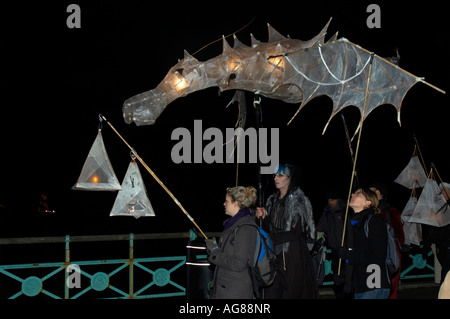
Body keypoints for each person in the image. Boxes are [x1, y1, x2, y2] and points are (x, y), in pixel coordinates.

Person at [255, 164, 319, 298]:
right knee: (272, 292)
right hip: (274, 254)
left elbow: (296, 232)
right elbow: (270, 226)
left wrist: (269, 237)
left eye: (281, 175)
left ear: (290, 178)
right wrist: (263, 216)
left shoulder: (298, 201)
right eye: (275, 175)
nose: (275, 178)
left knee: (293, 292)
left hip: (292, 254)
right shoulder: (272, 200)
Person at [206, 186, 258, 299]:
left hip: (235, 292)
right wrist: (216, 248)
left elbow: (238, 264)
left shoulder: (245, 229)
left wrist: (215, 252)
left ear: (236, 204)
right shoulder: (232, 225)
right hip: (224, 288)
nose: (224, 204)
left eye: (227, 201)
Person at [338, 188, 391, 299]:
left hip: (373, 285)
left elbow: (377, 257)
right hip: (361, 285)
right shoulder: (355, 223)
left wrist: (347, 254)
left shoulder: (374, 223)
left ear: (368, 203)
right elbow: (355, 253)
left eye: (358, 194)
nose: (352, 194)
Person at [369, 182, 404, 299]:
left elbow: (400, 236)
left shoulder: (391, 212)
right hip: (372, 257)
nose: (370, 193)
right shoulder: (367, 212)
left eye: (374, 190)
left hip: (389, 256)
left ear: (381, 194)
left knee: (390, 289)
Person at [316, 189, 350, 298]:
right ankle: (339, 294)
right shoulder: (327, 211)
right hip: (335, 249)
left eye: (333, 200)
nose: (330, 202)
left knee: (348, 274)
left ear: (337, 199)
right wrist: (316, 234)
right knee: (336, 274)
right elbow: (321, 226)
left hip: (346, 248)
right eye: (329, 200)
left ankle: (348, 294)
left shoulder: (346, 209)